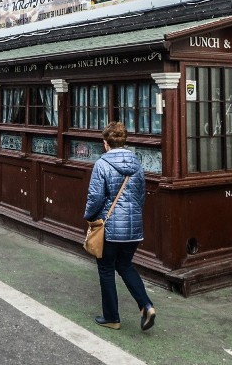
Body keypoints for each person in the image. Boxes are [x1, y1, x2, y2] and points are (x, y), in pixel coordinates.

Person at [83, 121, 156, 332]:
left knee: (106, 269)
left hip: (109, 228)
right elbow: (141, 196)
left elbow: (95, 197)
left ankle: (112, 317)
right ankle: (146, 305)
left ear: (106, 143)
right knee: (125, 265)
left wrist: (88, 216)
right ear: (124, 141)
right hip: (133, 229)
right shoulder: (137, 163)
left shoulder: (102, 164)